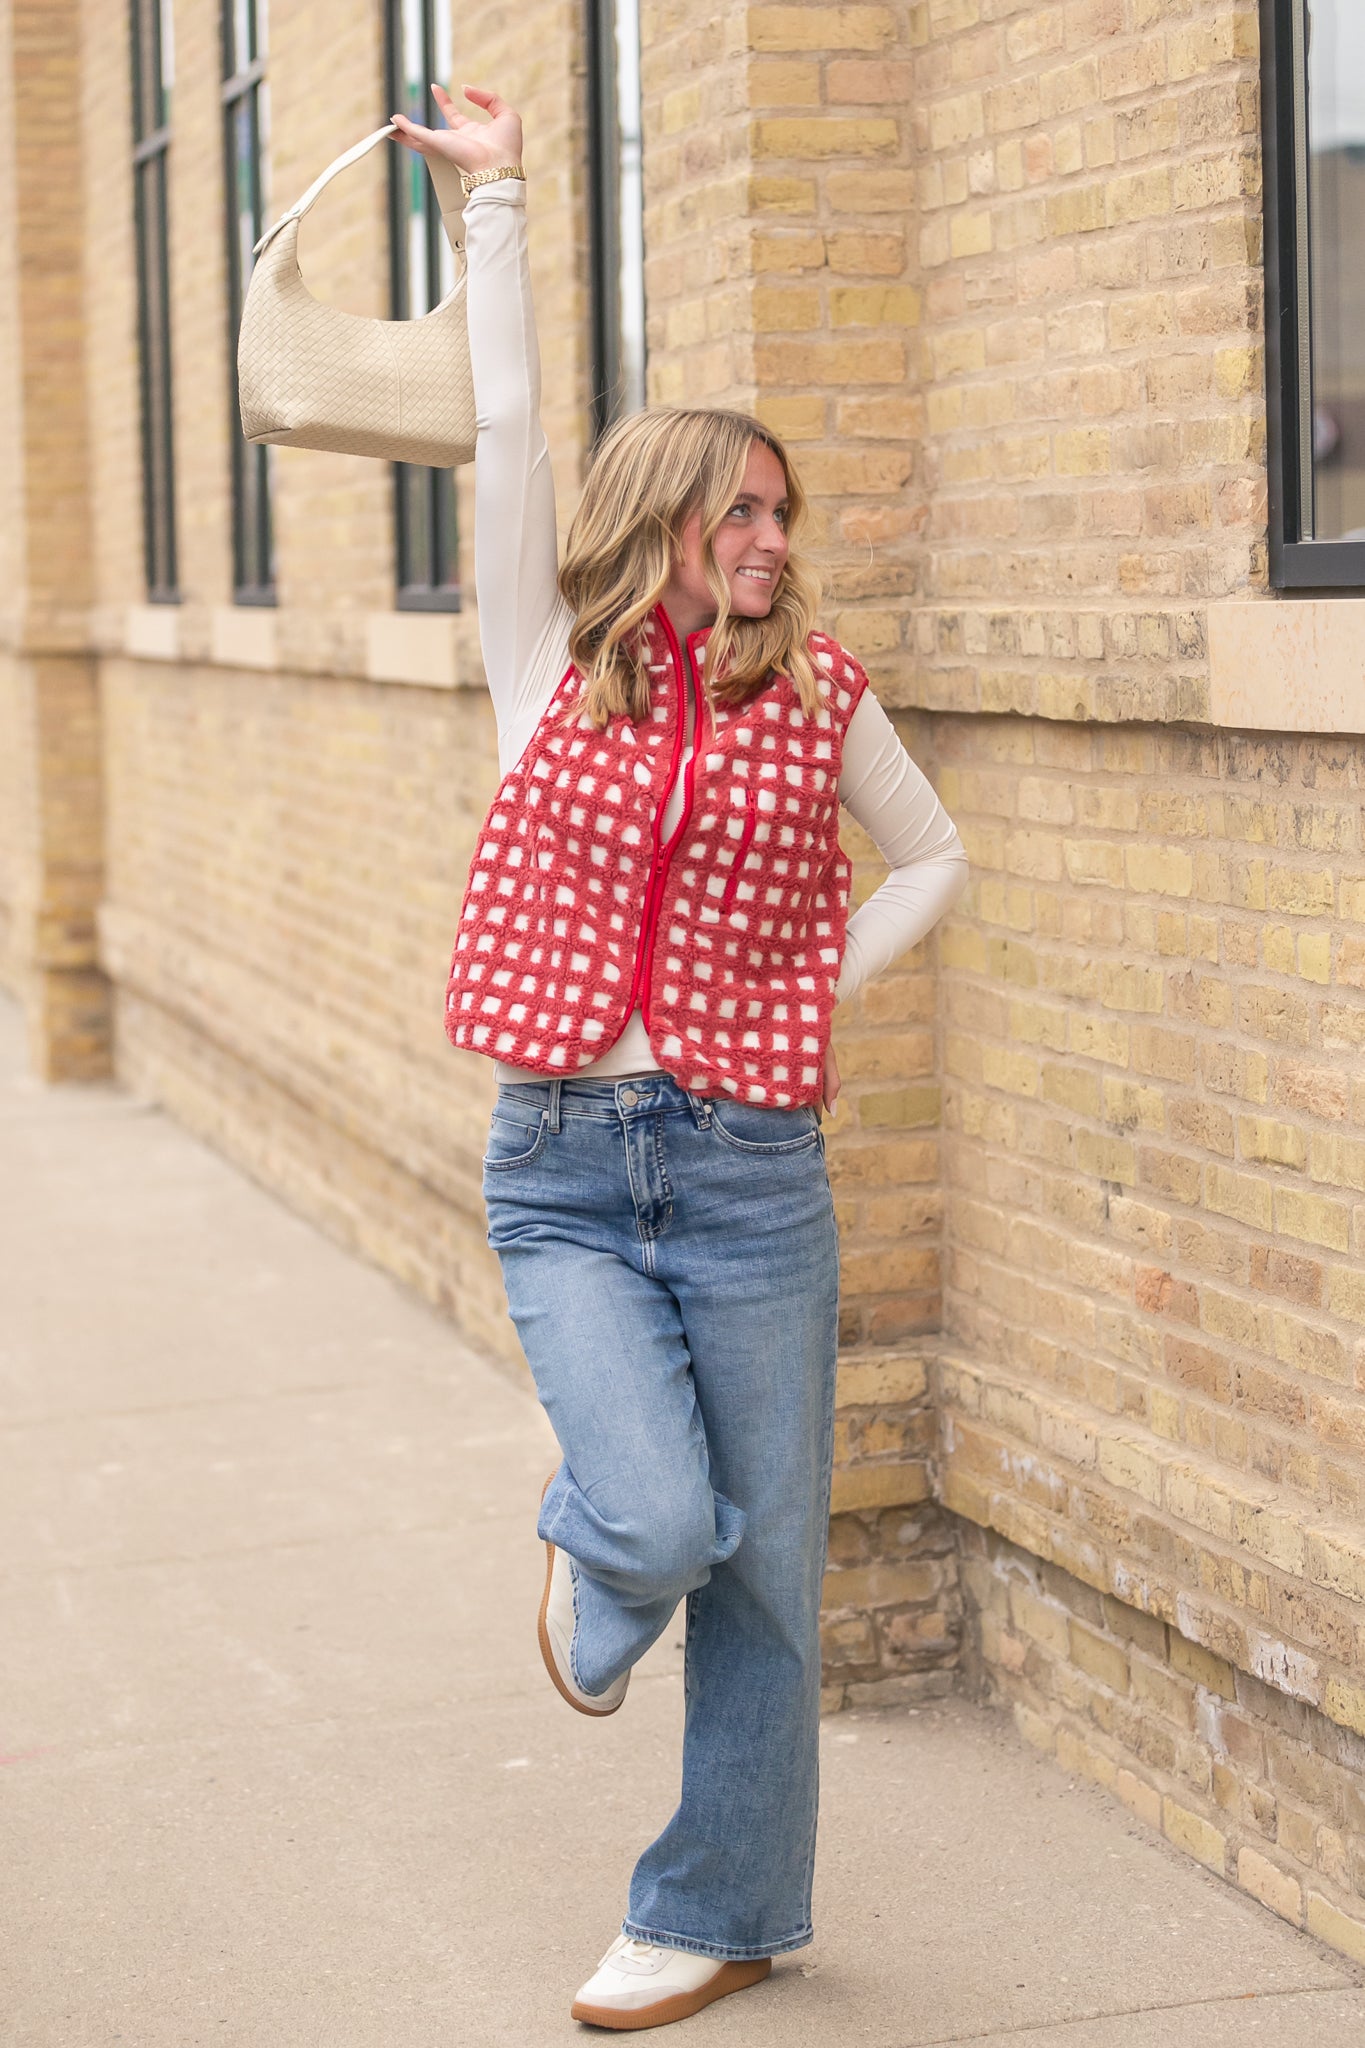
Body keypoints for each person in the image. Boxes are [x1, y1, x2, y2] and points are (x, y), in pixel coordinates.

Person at [392, 81, 968, 2034]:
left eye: (781, 516)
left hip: (748, 1177)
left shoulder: (815, 697)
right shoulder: (534, 666)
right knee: (651, 1514)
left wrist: (810, 984)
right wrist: (502, 209)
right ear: (657, 524)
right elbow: (499, 429)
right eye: (741, 510)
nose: (770, 540)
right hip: (563, 1161)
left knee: (768, 1582)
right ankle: (587, 1564)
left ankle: (716, 1904)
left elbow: (934, 857)